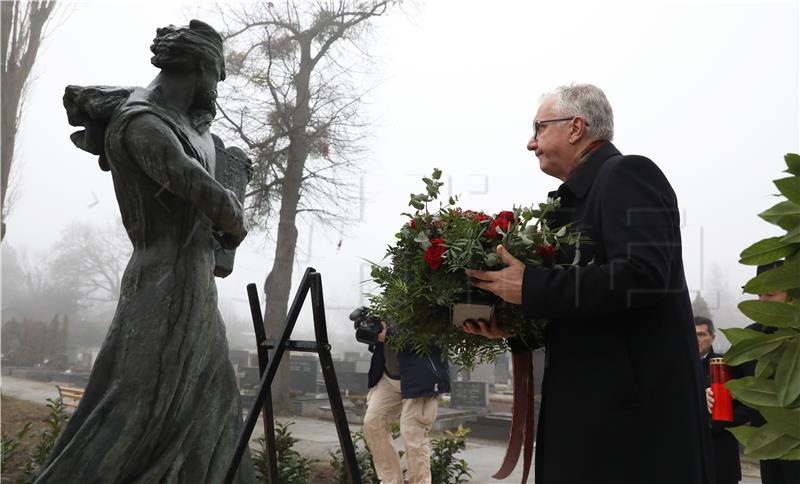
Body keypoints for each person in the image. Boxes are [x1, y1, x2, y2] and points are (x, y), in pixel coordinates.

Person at [39, 21, 255, 483]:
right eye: (216, 77)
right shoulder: (143, 124)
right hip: (163, 286)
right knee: (135, 412)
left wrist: (231, 173)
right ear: (199, 68)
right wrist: (233, 214)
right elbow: (205, 194)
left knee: (214, 405)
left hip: (194, 284)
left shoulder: (183, 125)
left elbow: (208, 192)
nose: (216, 90)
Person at [463, 83, 713, 483]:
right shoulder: (576, 200)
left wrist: (532, 288)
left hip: (632, 436)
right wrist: (517, 329)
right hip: (595, 423)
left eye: (539, 128)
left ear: (576, 127)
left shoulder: (629, 173)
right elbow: (588, 312)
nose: (531, 143)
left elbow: (643, 276)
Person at [707, 261, 800, 484]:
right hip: (771, 444)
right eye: (759, 295)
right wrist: (711, 394)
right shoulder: (751, 339)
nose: (763, 302)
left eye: (770, 294)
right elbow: (733, 383)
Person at [362, 322, 451, 484]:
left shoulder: (428, 304)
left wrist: (390, 335)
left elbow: (432, 338)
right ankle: (390, 481)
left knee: (412, 433)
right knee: (372, 422)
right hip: (389, 377)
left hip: (420, 378)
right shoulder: (388, 304)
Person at [696, 316, 746, 484]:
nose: (696, 339)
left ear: (713, 337)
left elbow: (745, 407)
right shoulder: (678, 368)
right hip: (689, 454)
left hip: (721, 451)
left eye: (702, 334)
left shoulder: (728, 365)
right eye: (692, 334)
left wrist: (714, 423)